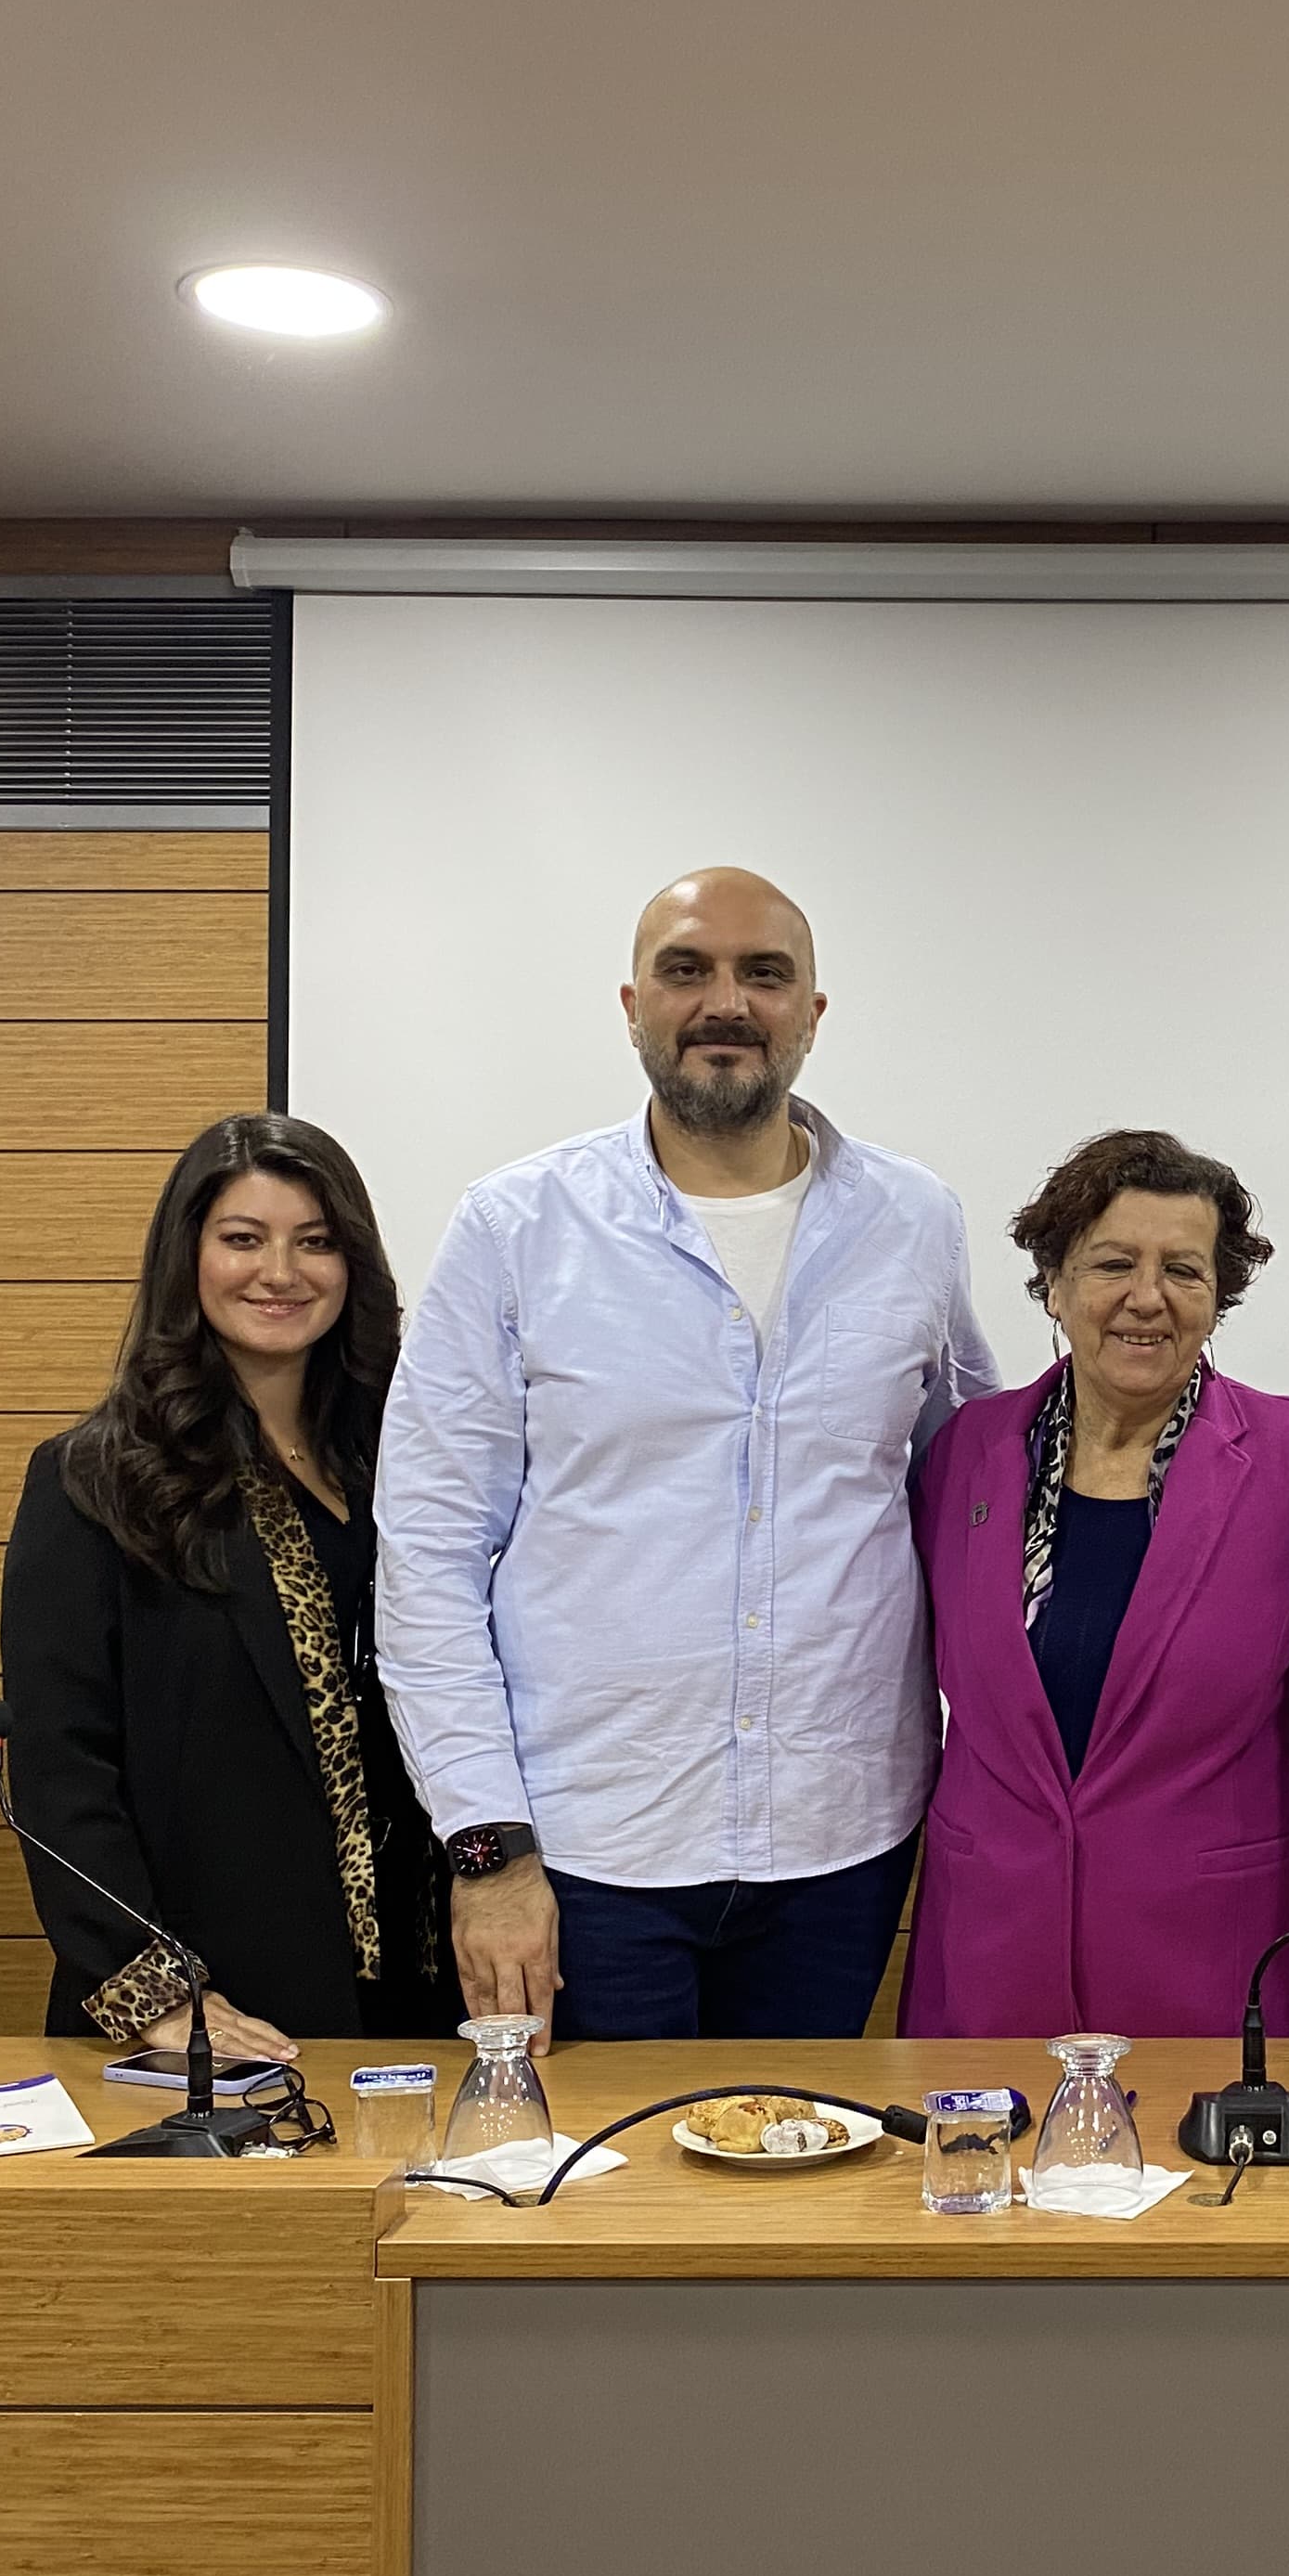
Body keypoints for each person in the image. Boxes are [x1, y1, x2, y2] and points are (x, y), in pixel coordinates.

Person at [377, 867, 998, 2041]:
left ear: (812, 1013)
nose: (727, 1003)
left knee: (801, 2146)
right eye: (687, 971)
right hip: (583, 1850)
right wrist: (486, 1849)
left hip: (841, 1842)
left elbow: (970, 1488)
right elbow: (429, 1557)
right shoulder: (516, 1228)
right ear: (632, 1006)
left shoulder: (914, 1221)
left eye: (764, 974)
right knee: (596, 2163)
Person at [0, 1113, 452, 2054]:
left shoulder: (410, 1461)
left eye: (315, 1242)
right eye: (243, 1239)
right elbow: (62, 1771)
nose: (280, 1273)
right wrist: (158, 1995)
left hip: (422, 1991)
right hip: (213, 2002)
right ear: (188, 1258)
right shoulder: (96, 1480)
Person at [899, 1131, 1289, 2038]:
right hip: (989, 1957)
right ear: (1055, 1286)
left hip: (1220, 1967)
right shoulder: (962, 1455)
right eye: (1112, 1264)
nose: (1147, 1297)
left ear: (1218, 1296)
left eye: (1183, 1269)